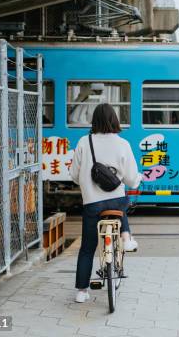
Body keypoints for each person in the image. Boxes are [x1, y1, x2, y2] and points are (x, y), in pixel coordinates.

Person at [70, 103, 141, 303]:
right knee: (122, 202)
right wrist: (137, 180)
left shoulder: (84, 142)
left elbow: (74, 175)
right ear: (114, 120)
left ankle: (82, 291)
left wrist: (86, 182)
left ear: (95, 121)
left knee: (87, 248)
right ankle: (126, 238)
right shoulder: (123, 144)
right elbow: (130, 178)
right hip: (115, 202)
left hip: (92, 204)